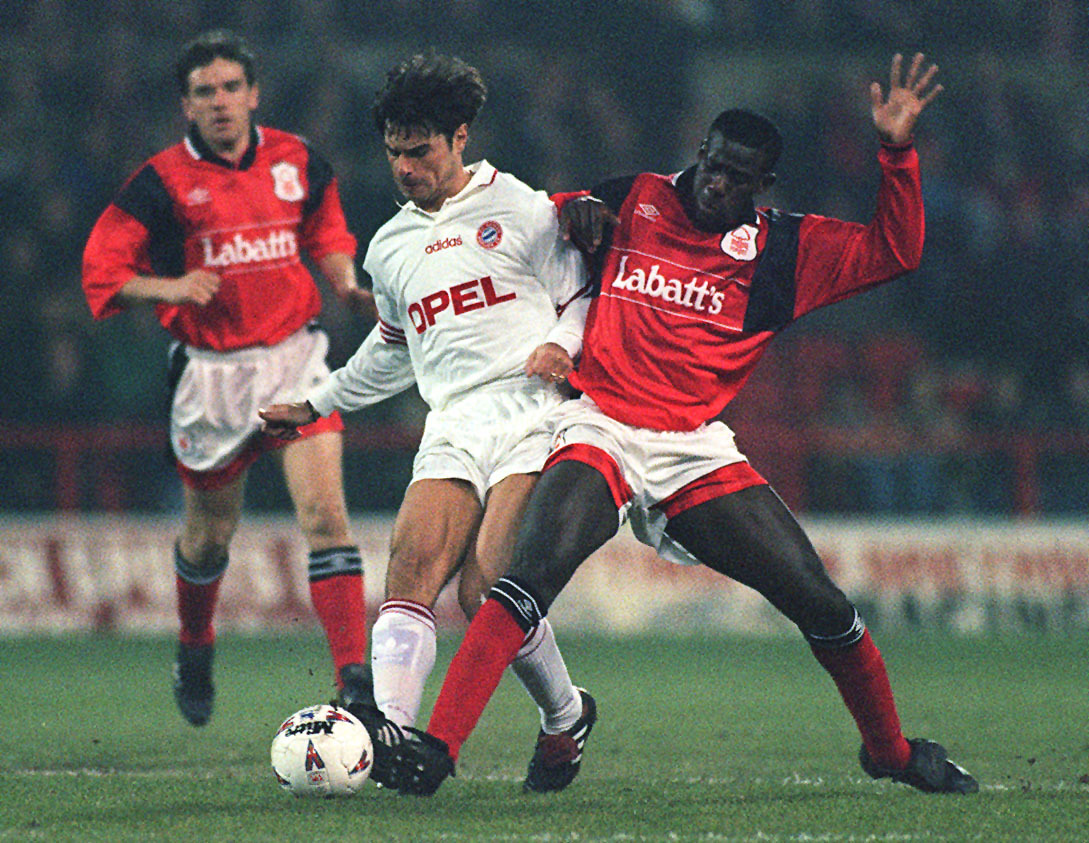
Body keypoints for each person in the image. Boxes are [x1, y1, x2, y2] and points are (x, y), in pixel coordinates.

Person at [388, 53, 980, 797]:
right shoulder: (632, 197)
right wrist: (563, 218)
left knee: (822, 603)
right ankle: (438, 746)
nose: (714, 182)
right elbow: (528, 222)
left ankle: (890, 752)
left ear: (761, 184)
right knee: (526, 578)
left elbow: (896, 250)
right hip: (597, 423)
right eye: (709, 164)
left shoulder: (782, 250)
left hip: (693, 445)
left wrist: (895, 151)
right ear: (698, 153)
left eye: (736, 175)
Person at [259, 52, 597, 793]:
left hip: (532, 410)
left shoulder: (521, 207)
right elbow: (390, 351)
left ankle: (565, 716)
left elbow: (579, 299)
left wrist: (557, 345)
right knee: (408, 574)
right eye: (394, 153)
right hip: (452, 420)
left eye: (420, 149)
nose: (406, 166)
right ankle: (391, 742)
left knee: (485, 591)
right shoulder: (389, 246)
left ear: (459, 137)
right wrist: (314, 403)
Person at [81, 30, 376, 727]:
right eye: (204, 92)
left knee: (326, 516)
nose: (220, 102)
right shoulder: (157, 183)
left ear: (254, 94)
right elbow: (103, 273)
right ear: (186, 105)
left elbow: (324, 230)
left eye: (230, 88)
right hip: (211, 374)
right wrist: (169, 287)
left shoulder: (296, 158)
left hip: (293, 360)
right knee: (211, 537)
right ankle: (194, 643)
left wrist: (344, 283)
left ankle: (355, 683)